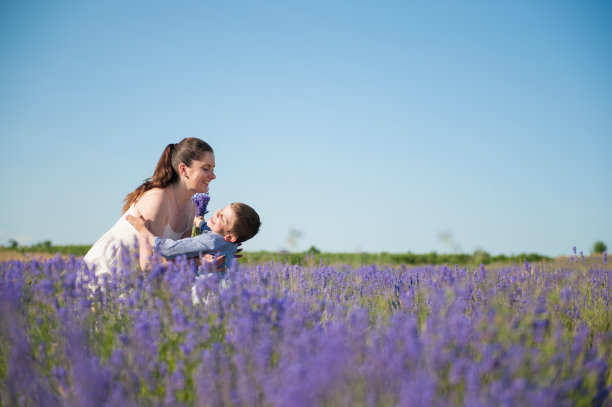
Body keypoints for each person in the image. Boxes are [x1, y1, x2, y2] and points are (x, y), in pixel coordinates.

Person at [84, 137, 221, 276]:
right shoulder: (158, 200)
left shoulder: (191, 207)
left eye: (213, 169)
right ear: (183, 169)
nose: (213, 176)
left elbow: (180, 255)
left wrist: (221, 246)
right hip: (106, 272)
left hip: (136, 279)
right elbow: (149, 263)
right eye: (206, 168)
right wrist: (198, 261)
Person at [126, 202, 261, 271]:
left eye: (222, 218)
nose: (217, 212)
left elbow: (168, 250)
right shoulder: (231, 243)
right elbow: (214, 233)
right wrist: (200, 223)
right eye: (221, 209)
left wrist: (143, 230)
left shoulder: (209, 241)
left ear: (231, 237)